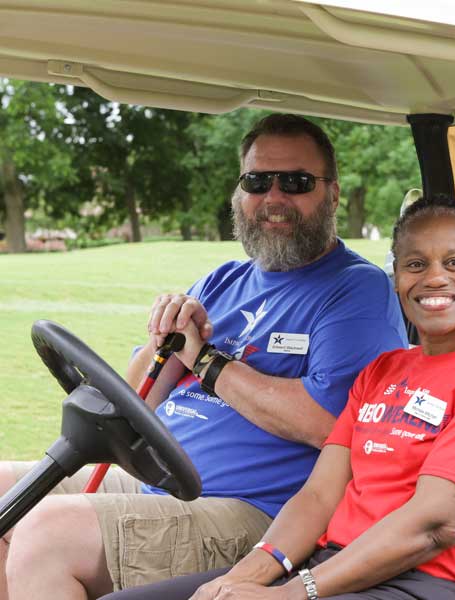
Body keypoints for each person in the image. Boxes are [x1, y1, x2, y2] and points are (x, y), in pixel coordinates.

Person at [1, 113, 407, 599]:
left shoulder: (356, 289)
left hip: (253, 512)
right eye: (258, 181)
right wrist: (164, 337)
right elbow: (133, 404)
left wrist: (208, 361)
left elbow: (328, 422)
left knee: (48, 534)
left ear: (333, 194)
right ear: (240, 192)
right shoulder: (222, 281)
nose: (274, 197)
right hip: (158, 480)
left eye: (296, 182)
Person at [101, 195, 455, 600]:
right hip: (336, 566)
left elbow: (437, 524)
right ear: (396, 277)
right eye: (415, 264)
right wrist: (242, 578)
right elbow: (319, 495)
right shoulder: (383, 371)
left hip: (428, 582)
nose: (435, 279)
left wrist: (296, 593)